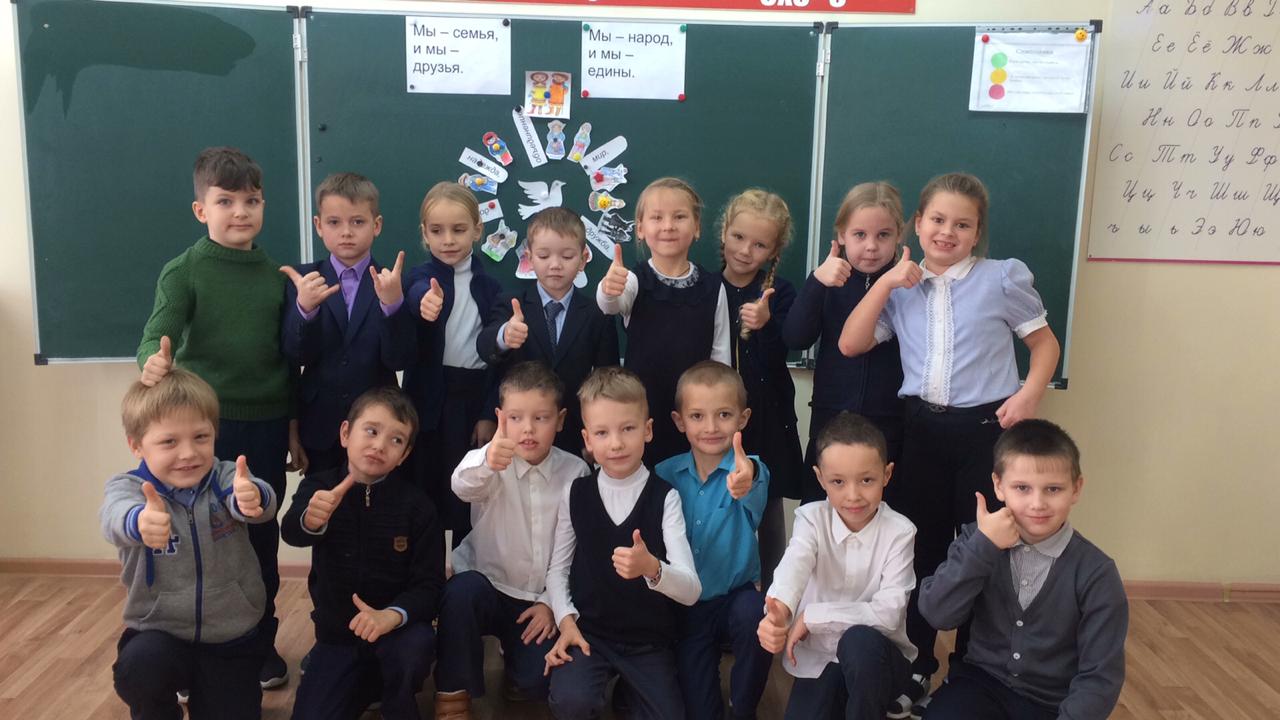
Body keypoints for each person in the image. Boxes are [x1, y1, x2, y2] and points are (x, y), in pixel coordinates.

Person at [838, 172, 1062, 715]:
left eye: (962, 225)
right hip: (922, 433)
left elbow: (1045, 345)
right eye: (937, 220)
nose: (947, 232)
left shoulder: (1001, 278)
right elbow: (850, 343)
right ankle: (918, 663)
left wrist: (1030, 394)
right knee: (919, 549)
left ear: (977, 233)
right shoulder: (902, 287)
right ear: (917, 224)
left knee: (984, 548)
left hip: (985, 433)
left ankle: (970, 669)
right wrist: (887, 283)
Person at [136, 146, 296, 688]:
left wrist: (292, 425)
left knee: (258, 540)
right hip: (201, 432)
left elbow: (285, 360)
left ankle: (260, 649)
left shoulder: (275, 276)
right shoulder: (184, 271)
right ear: (201, 209)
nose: (240, 211)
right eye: (225, 201)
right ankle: (191, 654)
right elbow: (154, 338)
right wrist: (152, 362)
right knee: (200, 543)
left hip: (266, 427)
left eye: (251, 200)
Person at [918, 419, 1127, 720]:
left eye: (1053, 489)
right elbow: (938, 614)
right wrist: (983, 547)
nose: (1037, 503)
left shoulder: (1097, 573)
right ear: (998, 486)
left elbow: (1100, 676)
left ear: (1076, 488)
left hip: (1052, 703)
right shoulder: (977, 540)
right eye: (1022, 488)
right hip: (980, 684)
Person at [102, 368, 279, 718]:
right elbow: (113, 517)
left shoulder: (224, 474)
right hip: (160, 632)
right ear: (136, 445)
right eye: (169, 442)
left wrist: (252, 496)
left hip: (231, 638)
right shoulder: (128, 488)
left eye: (201, 437)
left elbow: (256, 497)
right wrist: (138, 521)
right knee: (140, 666)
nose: (189, 453)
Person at [543, 367, 702, 720]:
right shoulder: (576, 493)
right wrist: (566, 621)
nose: (615, 443)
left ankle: (627, 693)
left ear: (647, 430)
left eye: (627, 428)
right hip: (590, 634)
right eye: (602, 432)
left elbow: (691, 590)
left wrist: (652, 568)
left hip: (648, 642)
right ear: (587, 439)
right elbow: (557, 570)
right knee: (571, 702)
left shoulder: (665, 497)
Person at [434, 362, 590, 719]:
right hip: (486, 586)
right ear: (500, 418)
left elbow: (578, 551)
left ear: (561, 420)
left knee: (536, 684)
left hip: (535, 600)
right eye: (516, 418)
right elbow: (461, 486)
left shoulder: (576, 472)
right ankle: (453, 689)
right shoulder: (488, 462)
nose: (528, 429)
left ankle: (516, 662)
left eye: (541, 418)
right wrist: (488, 460)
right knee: (459, 595)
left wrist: (551, 602)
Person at [282, 387, 444, 720]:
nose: (379, 445)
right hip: (338, 637)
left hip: (397, 633)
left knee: (414, 648)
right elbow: (291, 532)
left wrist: (391, 615)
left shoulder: (418, 507)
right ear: (345, 433)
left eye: (396, 440)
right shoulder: (319, 487)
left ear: (405, 455)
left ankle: (395, 697)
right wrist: (311, 520)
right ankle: (362, 687)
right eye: (371, 431)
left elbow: (430, 587)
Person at [758, 412, 916, 720]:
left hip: (878, 660)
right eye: (838, 482)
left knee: (859, 642)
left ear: (887, 474)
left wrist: (812, 617)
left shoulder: (901, 531)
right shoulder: (810, 519)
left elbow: (889, 614)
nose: (853, 495)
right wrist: (779, 613)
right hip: (818, 658)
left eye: (867, 480)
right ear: (820, 479)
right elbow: (794, 565)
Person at [655, 361, 773, 720]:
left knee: (756, 614)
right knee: (699, 709)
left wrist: (746, 479)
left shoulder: (749, 469)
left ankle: (744, 707)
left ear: (743, 418)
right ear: (679, 421)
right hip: (688, 605)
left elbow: (753, 480)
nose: (710, 427)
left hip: (737, 598)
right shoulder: (664, 474)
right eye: (697, 416)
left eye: (723, 415)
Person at [281, 172, 414, 476]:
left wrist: (392, 305)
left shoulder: (394, 282)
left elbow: (399, 359)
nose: (346, 232)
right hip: (319, 427)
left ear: (376, 225)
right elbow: (294, 356)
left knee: (375, 502)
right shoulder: (304, 281)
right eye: (334, 222)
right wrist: (304, 309)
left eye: (357, 222)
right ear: (318, 226)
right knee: (320, 499)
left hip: (377, 430)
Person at [782, 181, 906, 503]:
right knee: (819, 511)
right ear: (841, 235)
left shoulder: (906, 285)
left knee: (883, 513)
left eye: (883, 235)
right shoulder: (829, 279)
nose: (871, 246)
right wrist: (816, 282)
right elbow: (795, 337)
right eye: (859, 234)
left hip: (889, 424)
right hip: (831, 418)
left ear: (899, 236)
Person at [597, 177, 730, 464]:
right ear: (640, 229)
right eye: (657, 218)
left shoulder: (712, 286)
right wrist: (608, 288)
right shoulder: (633, 280)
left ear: (696, 227)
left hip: (695, 415)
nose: (668, 226)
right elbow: (610, 305)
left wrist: (719, 411)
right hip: (642, 413)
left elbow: (721, 358)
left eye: (679, 217)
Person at [403, 181, 501, 545]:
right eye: (437, 231)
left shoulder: (491, 288)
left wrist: (489, 413)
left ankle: (465, 573)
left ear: (477, 230)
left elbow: (499, 360)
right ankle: (425, 574)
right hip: (426, 402)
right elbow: (415, 295)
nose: (448, 240)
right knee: (424, 497)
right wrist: (423, 302)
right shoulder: (418, 278)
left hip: (471, 402)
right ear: (424, 234)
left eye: (458, 230)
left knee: (469, 499)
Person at [715, 187, 804, 587]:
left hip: (768, 418)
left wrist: (767, 325)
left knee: (768, 509)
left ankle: (773, 594)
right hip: (716, 419)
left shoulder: (780, 294)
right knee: (717, 504)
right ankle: (723, 594)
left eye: (759, 244)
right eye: (738, 237)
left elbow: (782, 353)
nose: (745, 250)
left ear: (773, 251)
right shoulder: (704, 286)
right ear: (724, 233)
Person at [477, 207, 619, 457]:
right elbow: (486, 349)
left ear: (583, 259)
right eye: (544, 256)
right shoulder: (511, 304)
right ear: (529, 258)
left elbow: (606, 379)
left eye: (567, 256)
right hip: (518, 432)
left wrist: (598, 432)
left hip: (574, 432)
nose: (555, 265)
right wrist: (504, 336)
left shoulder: (598, 313)